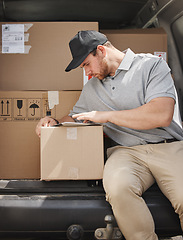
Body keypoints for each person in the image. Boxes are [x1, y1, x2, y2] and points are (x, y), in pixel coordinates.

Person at [36, 30, 183, 240]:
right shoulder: (92, 87)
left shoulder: (150, 65)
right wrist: (55, 122)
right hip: (125, 153)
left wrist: (106, 116)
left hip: (167, 146)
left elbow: (161, 114)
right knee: (118, 188)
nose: (86, 73)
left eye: (86, 64)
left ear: (101, 51)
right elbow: (79, 117)